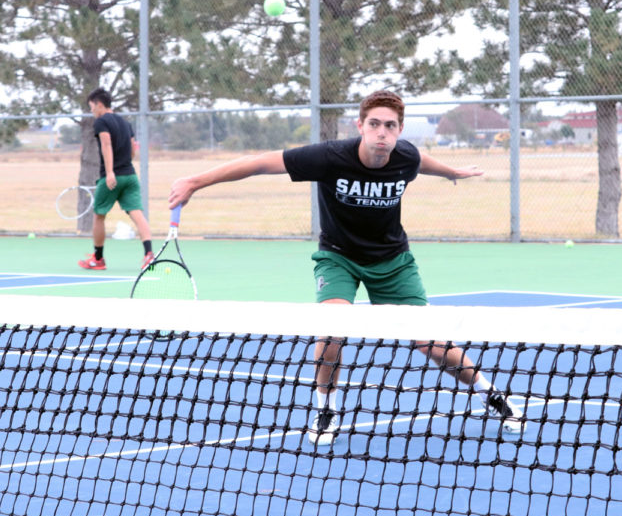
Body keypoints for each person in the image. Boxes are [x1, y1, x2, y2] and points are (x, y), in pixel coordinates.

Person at [168, 90, 523, 445]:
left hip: (393, 261)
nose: (381, 132)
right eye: (374, 124)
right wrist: (195, 182)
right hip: (338, 257)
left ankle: (489, 392)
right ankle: (326, 409)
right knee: (332, 329)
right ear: (360, 126)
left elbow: (422, 161)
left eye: (390, 126)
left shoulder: (406, 157)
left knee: (430, 343)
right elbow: (261, 162)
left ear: (399, 131)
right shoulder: (329, 157)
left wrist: (450, 172)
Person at [78, 87, 154, 271]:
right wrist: (124, 164)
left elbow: (106, 143)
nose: (92, 111)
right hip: (130, 176)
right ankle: (149, 254)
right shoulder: (125, 123)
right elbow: (132, 149)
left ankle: (98, 259)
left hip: (111, 178)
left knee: (99, 216)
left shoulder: (101, 122)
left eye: (92, 107)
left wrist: (111, 172)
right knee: (137, 214)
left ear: (100, 105)